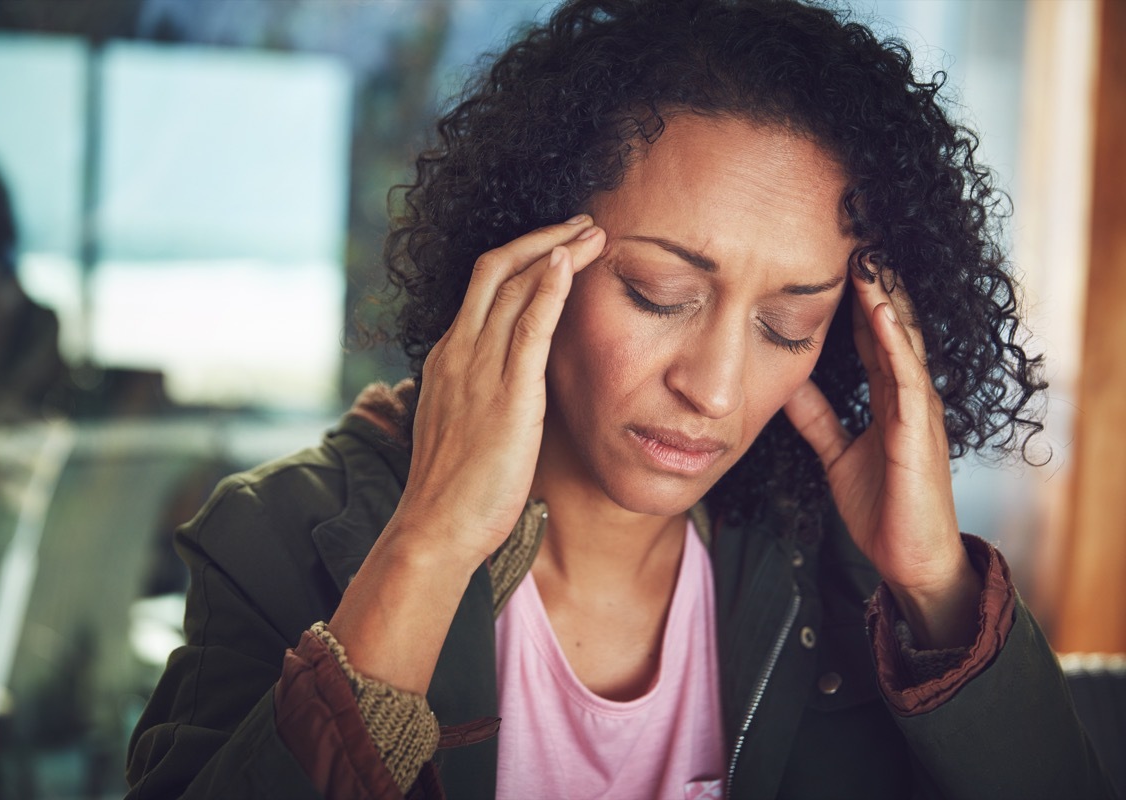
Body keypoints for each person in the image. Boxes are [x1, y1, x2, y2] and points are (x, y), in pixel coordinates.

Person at [125, 1, 1116, 798]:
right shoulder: (278, 537)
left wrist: (935, 582)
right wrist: (428, 543)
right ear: (531, 254)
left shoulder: (846, 575)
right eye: (660, 294)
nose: (715, 385)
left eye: (788, 325)